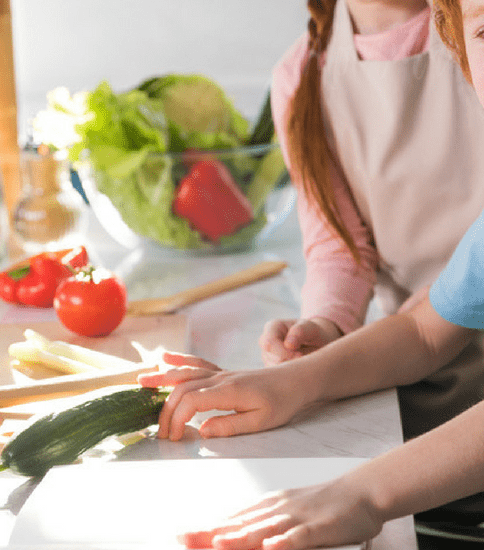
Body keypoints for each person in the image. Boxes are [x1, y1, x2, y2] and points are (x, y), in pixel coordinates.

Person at [137, 2, 484, 546]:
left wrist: (366, 493)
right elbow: (418, 326)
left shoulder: (460, 24)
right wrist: (301, 372)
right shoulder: (305, 76)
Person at [257, 0, 484, 441]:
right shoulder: (300, 75)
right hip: (414, 361)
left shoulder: (471, 20)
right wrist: (325, 326)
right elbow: (339, 244)